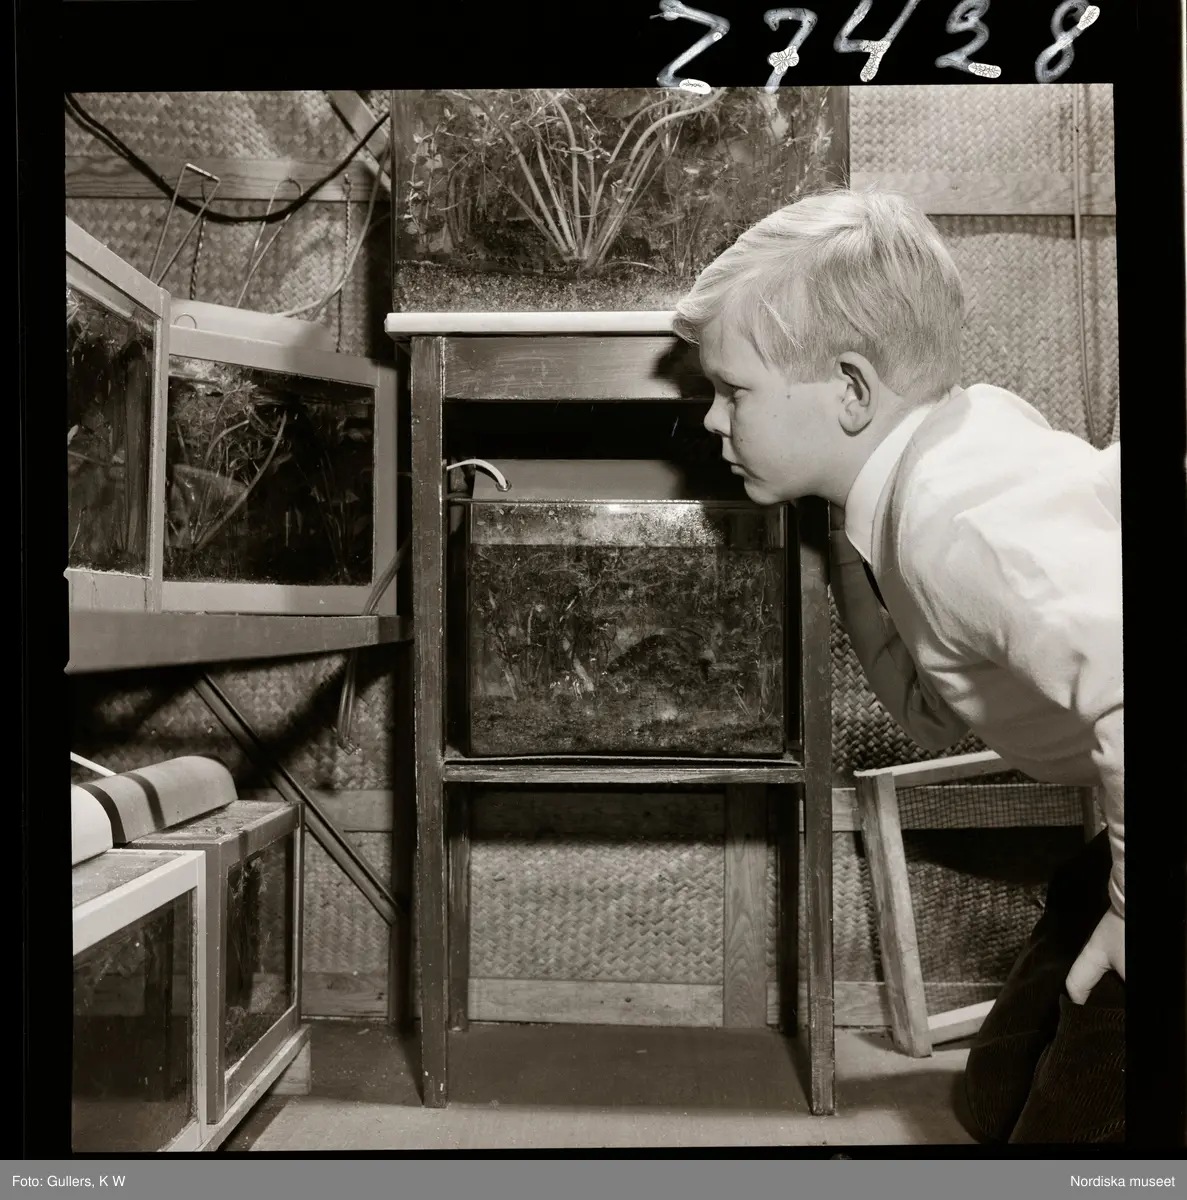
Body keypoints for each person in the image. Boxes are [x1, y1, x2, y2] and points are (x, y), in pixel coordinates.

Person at [672, 187, 1124, 1143]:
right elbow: (933, 709)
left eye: (733, 390)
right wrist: (846, 533)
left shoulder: (962, 523)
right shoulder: (930, 462)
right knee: (994, 1095)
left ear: (850, 390)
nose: (711, 420)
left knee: (1073, 1136)